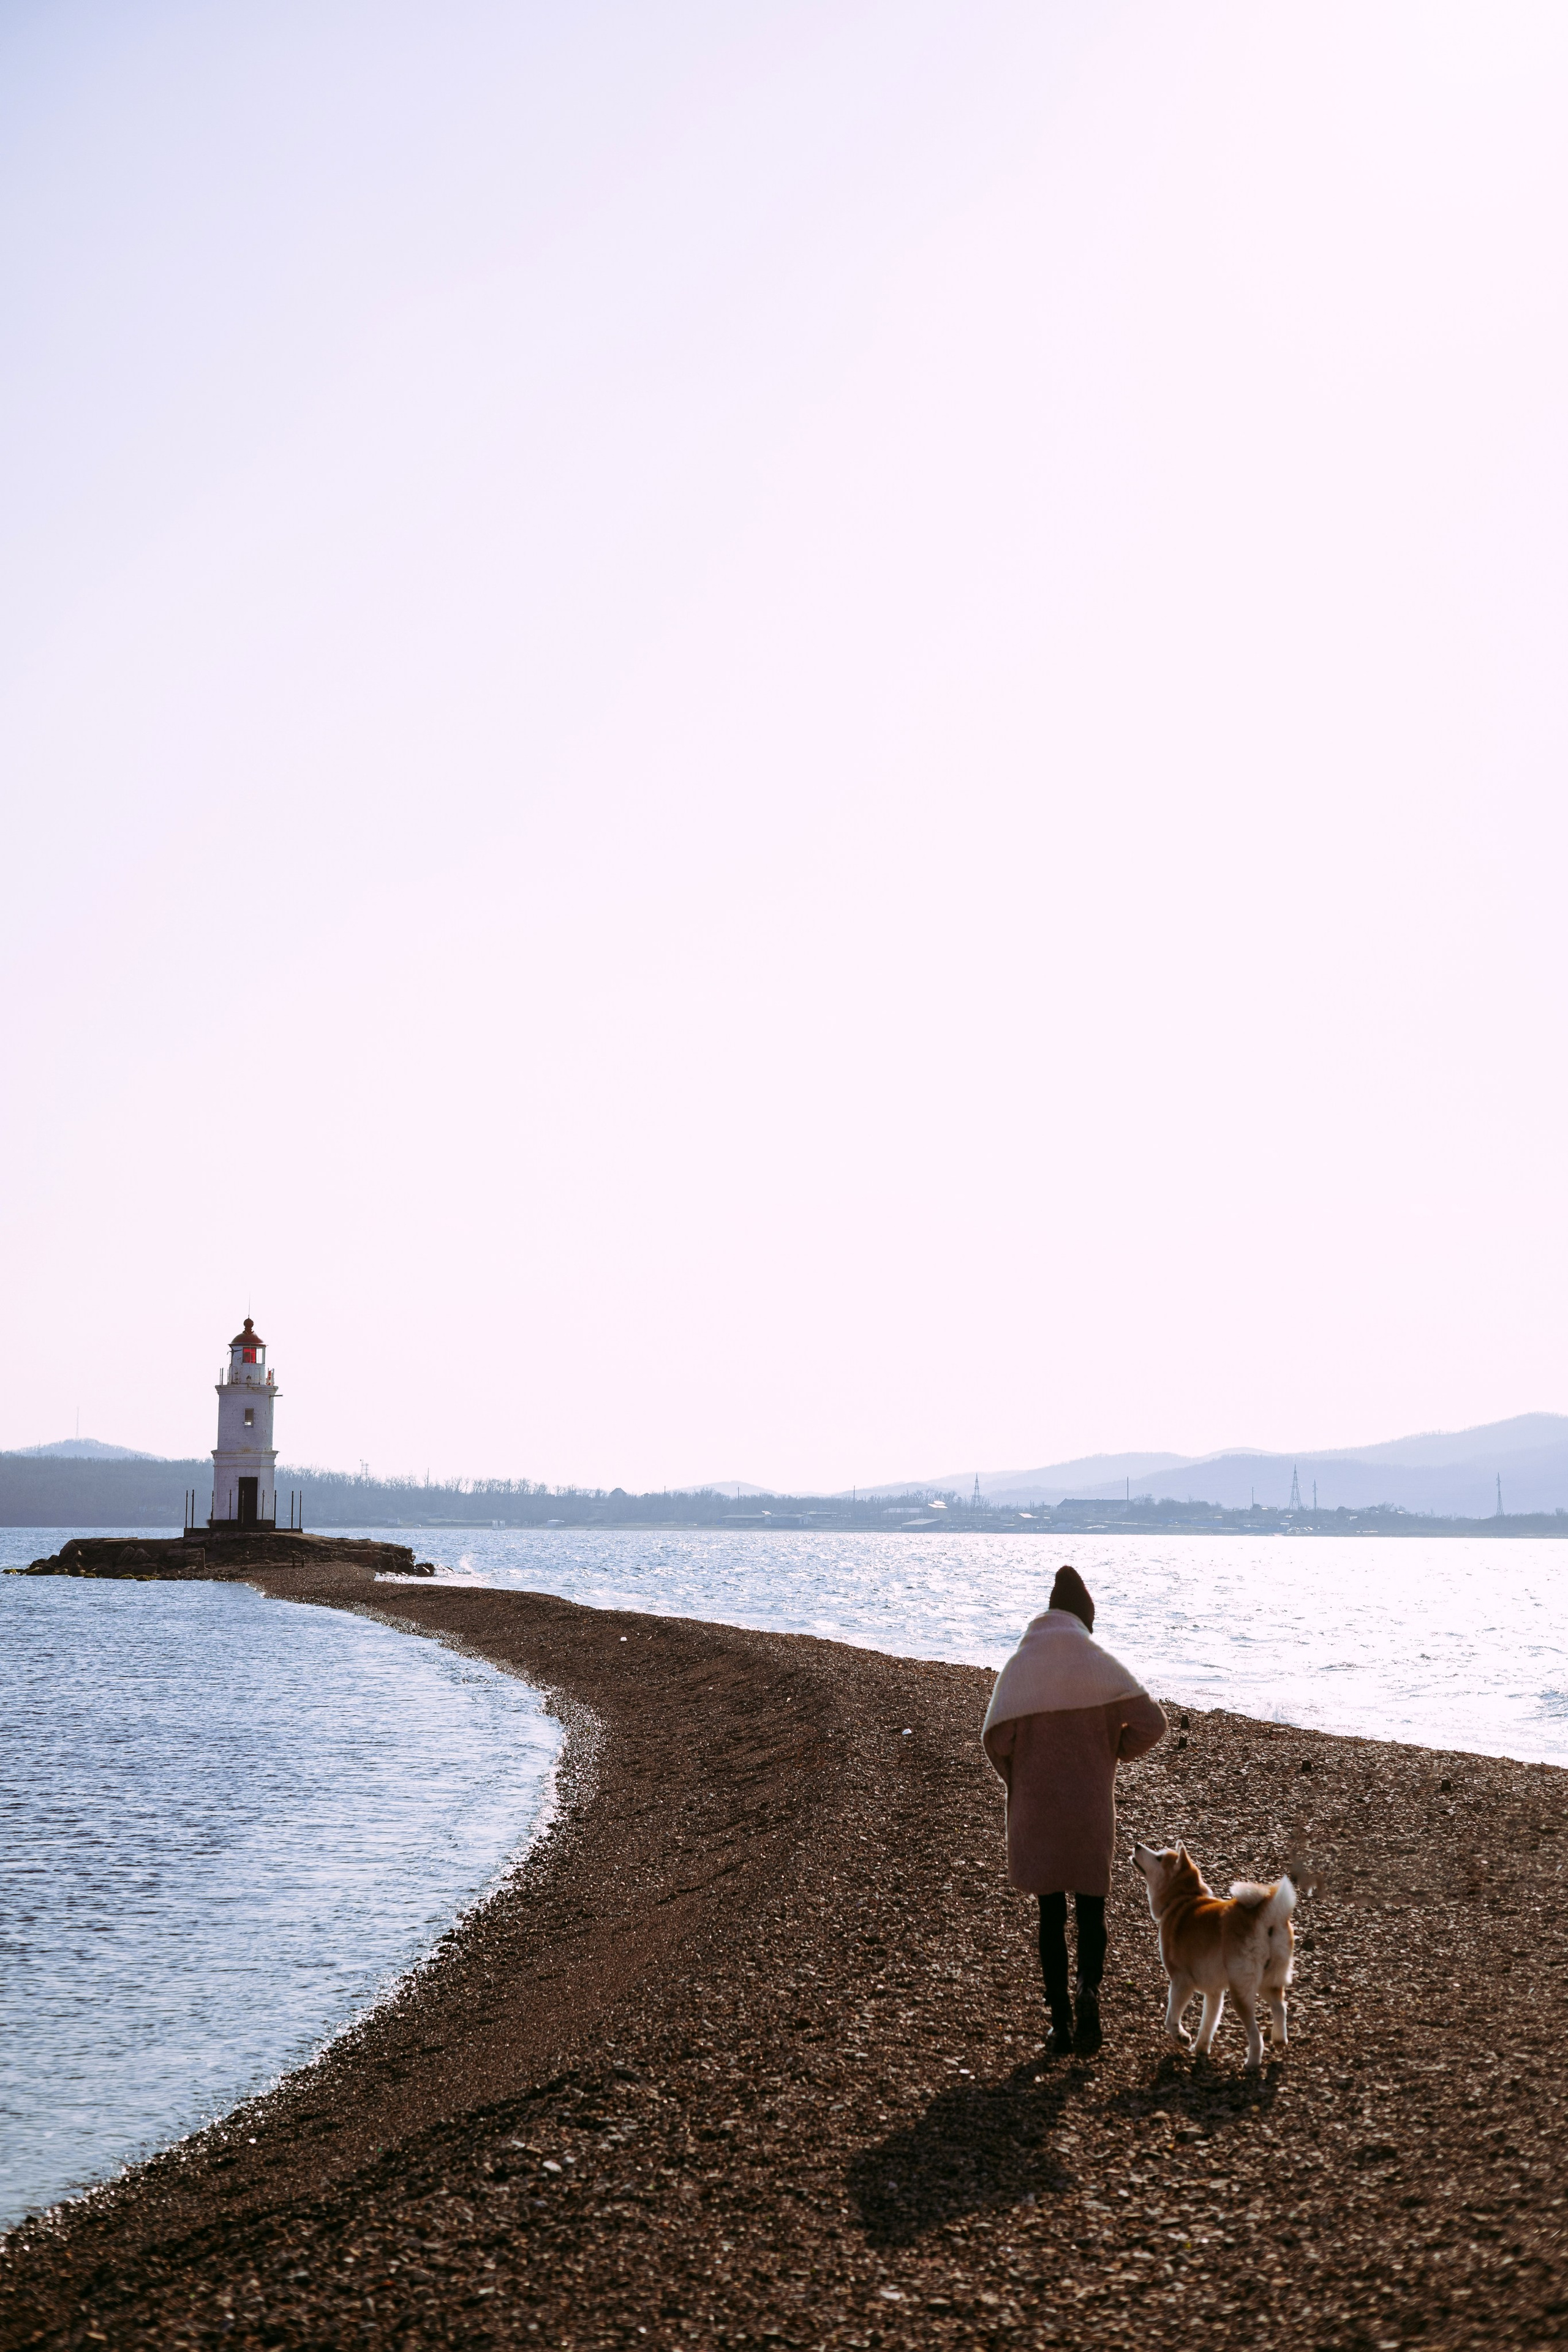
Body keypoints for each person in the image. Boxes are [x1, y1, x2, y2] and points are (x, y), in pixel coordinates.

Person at [982, 1566, 1166, 2056]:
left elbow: (996, 1737)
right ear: (1086, 1617)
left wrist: (1018, 1777)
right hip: (1089, 1811)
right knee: (1091, 1911)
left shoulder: (1022, 1664)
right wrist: (1114, 1749)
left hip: (1038, 1811)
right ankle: (1089, 1989)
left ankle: (1060, 2025)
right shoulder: (1100, 1664)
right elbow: (1154, 1724)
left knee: (1050, 1917)